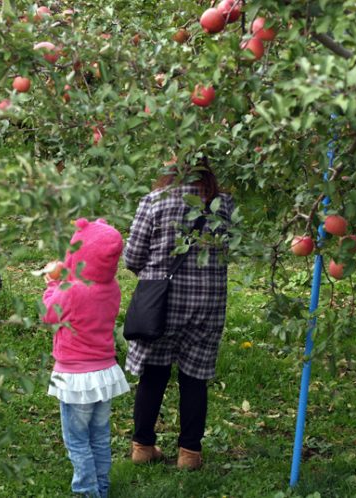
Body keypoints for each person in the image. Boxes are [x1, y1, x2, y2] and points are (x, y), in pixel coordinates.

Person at [124, 161, 234, 470]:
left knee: (153, 373)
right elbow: (230, 249)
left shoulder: (155, 200)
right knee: (195, 377)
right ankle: (189, 454)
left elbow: (133, 256)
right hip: (207, 304)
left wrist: (151, 269)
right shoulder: (223, 204)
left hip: (161, 303)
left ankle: (143, 445)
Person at [42, 218, 130, 498]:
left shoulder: (71, 290)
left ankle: (87, 491)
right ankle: (101, 487)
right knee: (100, 438)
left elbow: (49, 314)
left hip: (75, 377)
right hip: (104, 373)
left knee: (77, 441)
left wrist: (51, 285)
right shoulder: (110, 287)